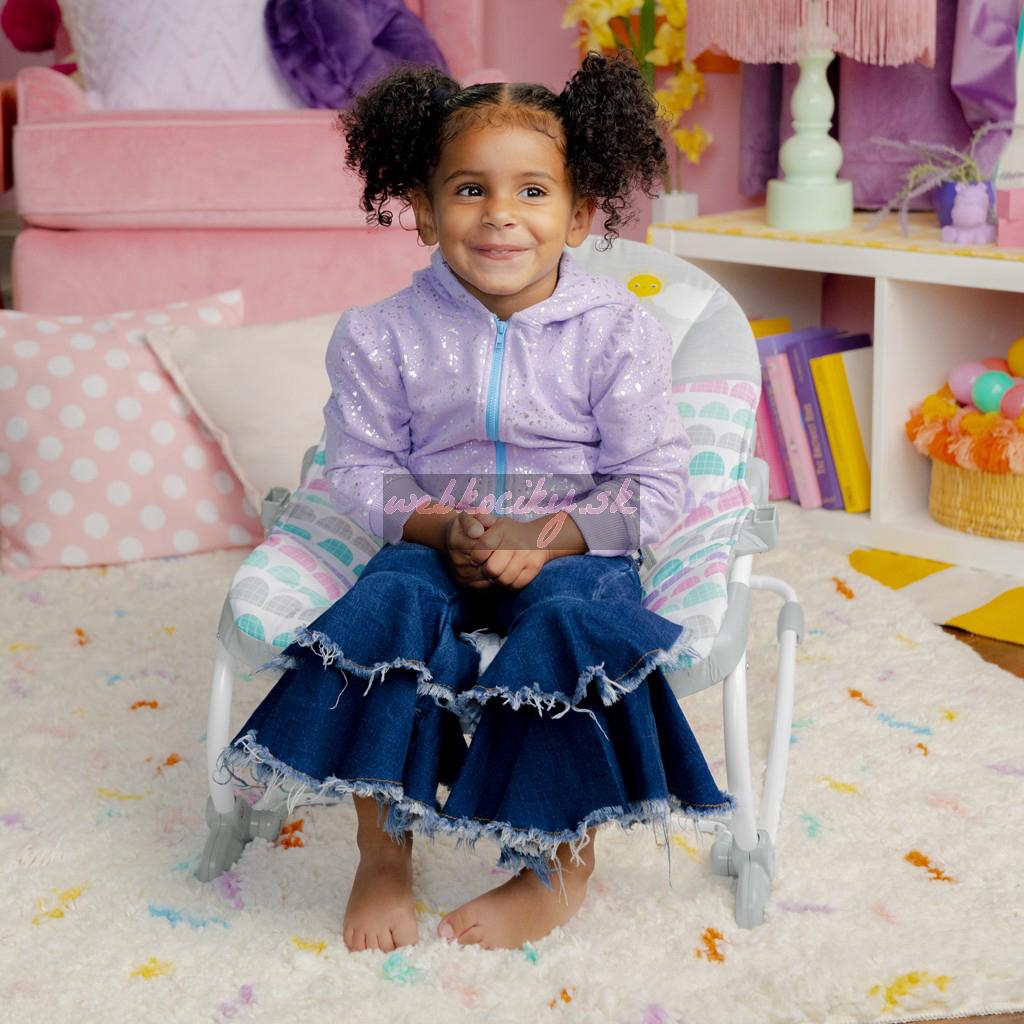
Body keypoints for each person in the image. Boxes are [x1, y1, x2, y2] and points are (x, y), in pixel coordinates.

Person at [218, 50, 733, 954]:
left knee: (575, 625)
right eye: (469, 190)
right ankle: (384, 850)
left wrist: (554, 535)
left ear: (580, 213)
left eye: (533, 191)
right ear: (422, 209)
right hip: (432, 535)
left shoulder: (618, 332)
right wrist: (437, 527)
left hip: (572, 545)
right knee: (385, 605)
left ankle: (556, 864)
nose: (500, 214)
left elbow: (655, 483)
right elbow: (357, 470)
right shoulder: (382, 335)